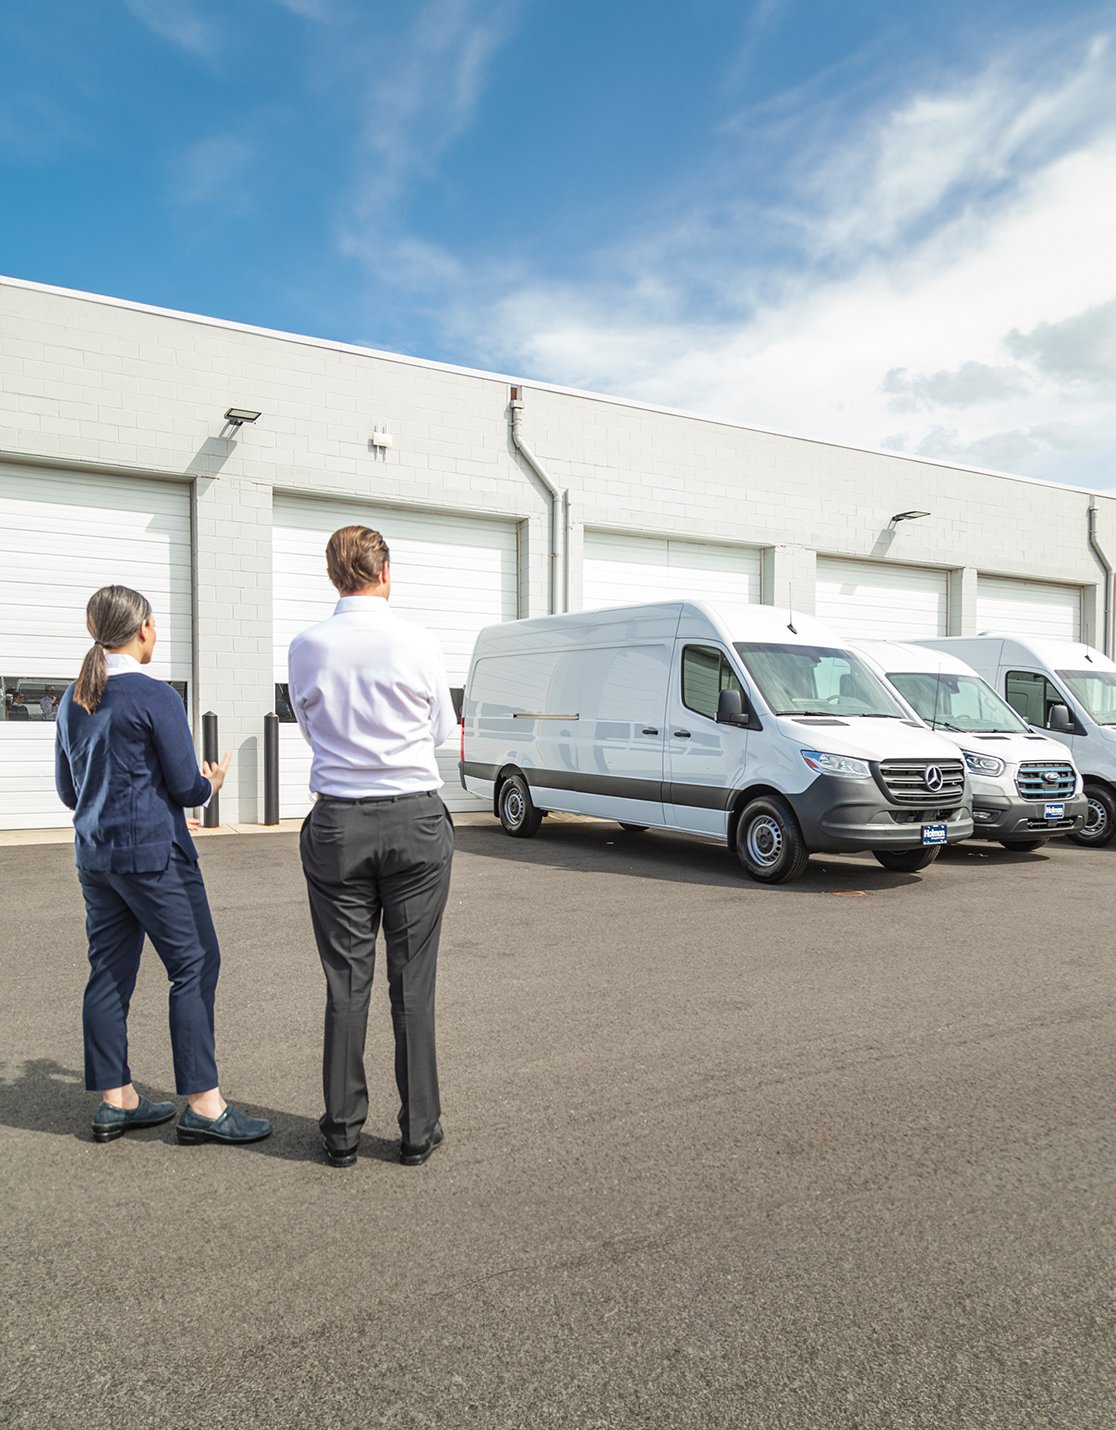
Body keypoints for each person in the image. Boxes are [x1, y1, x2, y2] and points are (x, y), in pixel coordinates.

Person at [55, 585, 272, 1147]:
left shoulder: (71, 700)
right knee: (195, 964)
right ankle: (204, 1104)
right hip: (154, 859)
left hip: (96, 856)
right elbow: (185, 785)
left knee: (108, 972)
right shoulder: (155, 698)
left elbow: (67, 789)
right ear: (143, 628)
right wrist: (211, 785)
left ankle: (116, 1099)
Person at [288, 526, 456, 1169]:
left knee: (345, 983)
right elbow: (442, 726)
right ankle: (417, 1129)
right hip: (413, 820)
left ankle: (341, 1131)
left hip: (338, 825)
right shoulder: (418, 641)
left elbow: (309, 726)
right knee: (413, 985)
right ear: (385, 572)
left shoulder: (307, 646)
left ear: (335, 576)